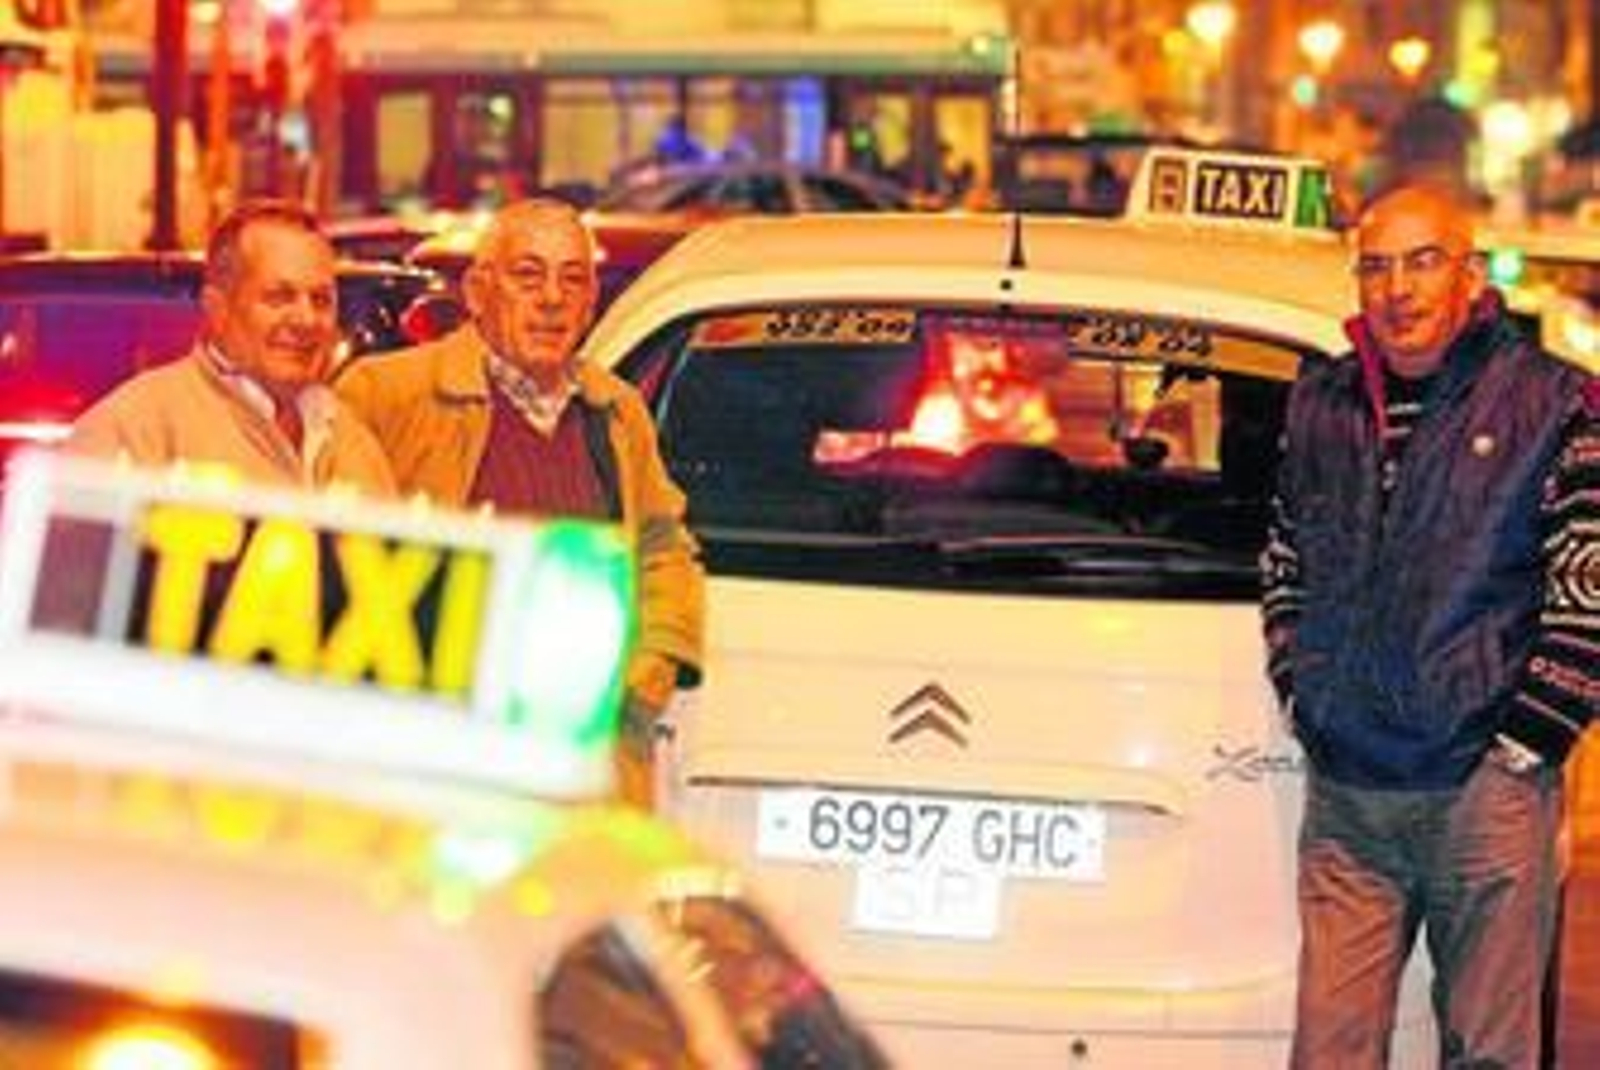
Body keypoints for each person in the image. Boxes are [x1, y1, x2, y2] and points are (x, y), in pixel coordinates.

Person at [1260, 181, 1598, 1067]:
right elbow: (1286, 556)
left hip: (1483, 796)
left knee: (1488, 1052)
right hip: (1348, 796)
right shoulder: (1321, 402)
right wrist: (1302, 691)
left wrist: (1528, 741)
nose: (1398, 289)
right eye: (1376, 266)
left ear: (1469, 273)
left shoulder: (1555, 403)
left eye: (1422, 262)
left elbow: (1589, 585)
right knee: (1329, 1050)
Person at [334, 198, 705, 806]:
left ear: (591, 303)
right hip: (442, 763)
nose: (552, 299)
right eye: (528, 276)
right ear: (478, 292)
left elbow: (664, 548)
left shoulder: (616, 412)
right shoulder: (385, 395)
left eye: (573, 279)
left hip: (580, 759)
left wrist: (645, 677)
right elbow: (340, 557)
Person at [69, 200, 395, 496]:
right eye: (279, 297)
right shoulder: (135, 430)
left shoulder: (352, 439)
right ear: (217, 308)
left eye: (321, 300)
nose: (306, 320)